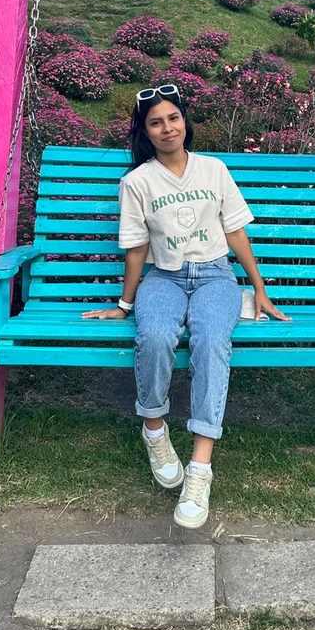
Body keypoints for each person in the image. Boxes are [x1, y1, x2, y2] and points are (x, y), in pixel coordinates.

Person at [83, 85, 288, 528]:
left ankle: (199, 469)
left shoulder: (213, 169)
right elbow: (137, 249)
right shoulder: (137, 183)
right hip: (164, 278)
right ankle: (154, 430)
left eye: (173, 118)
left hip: (216, 277)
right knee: (155, 336)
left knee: (212, 340)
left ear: (184, 122)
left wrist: (260, 289)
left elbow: (235, 233)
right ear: (145, 131)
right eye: (155, 122)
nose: (167, 128)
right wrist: (124, 304)